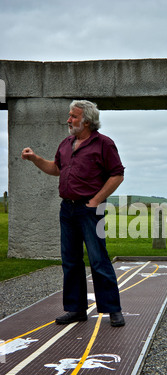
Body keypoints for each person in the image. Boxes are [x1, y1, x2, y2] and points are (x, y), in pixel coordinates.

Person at [21, 100, 125, 327]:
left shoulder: (104, 144)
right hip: (67, 209)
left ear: (86, 121)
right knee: (70, 261)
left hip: (90, 209)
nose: (68, 120)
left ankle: (112, 310)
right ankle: (76, 310)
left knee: (98, 259)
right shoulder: (66, 144)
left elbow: (117, 175)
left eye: (73, 116)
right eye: (70, 116)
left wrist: (95, 200)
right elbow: (56, 169)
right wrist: (35, 158)